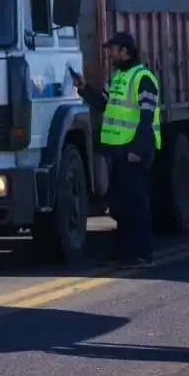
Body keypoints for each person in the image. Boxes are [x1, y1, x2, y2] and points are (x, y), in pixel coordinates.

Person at [72, 32, 161, 269]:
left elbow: (146, 118)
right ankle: (124, 252)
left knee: (136, 204)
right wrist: (84, 89)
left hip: (133, 151)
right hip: (118, 151)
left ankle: (143, 253)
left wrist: (139, 150)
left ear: (125, 51)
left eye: (112, 49)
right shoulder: (119, 77)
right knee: (121, 205)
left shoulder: (143, 78)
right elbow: (103, 103)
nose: (109, 54)